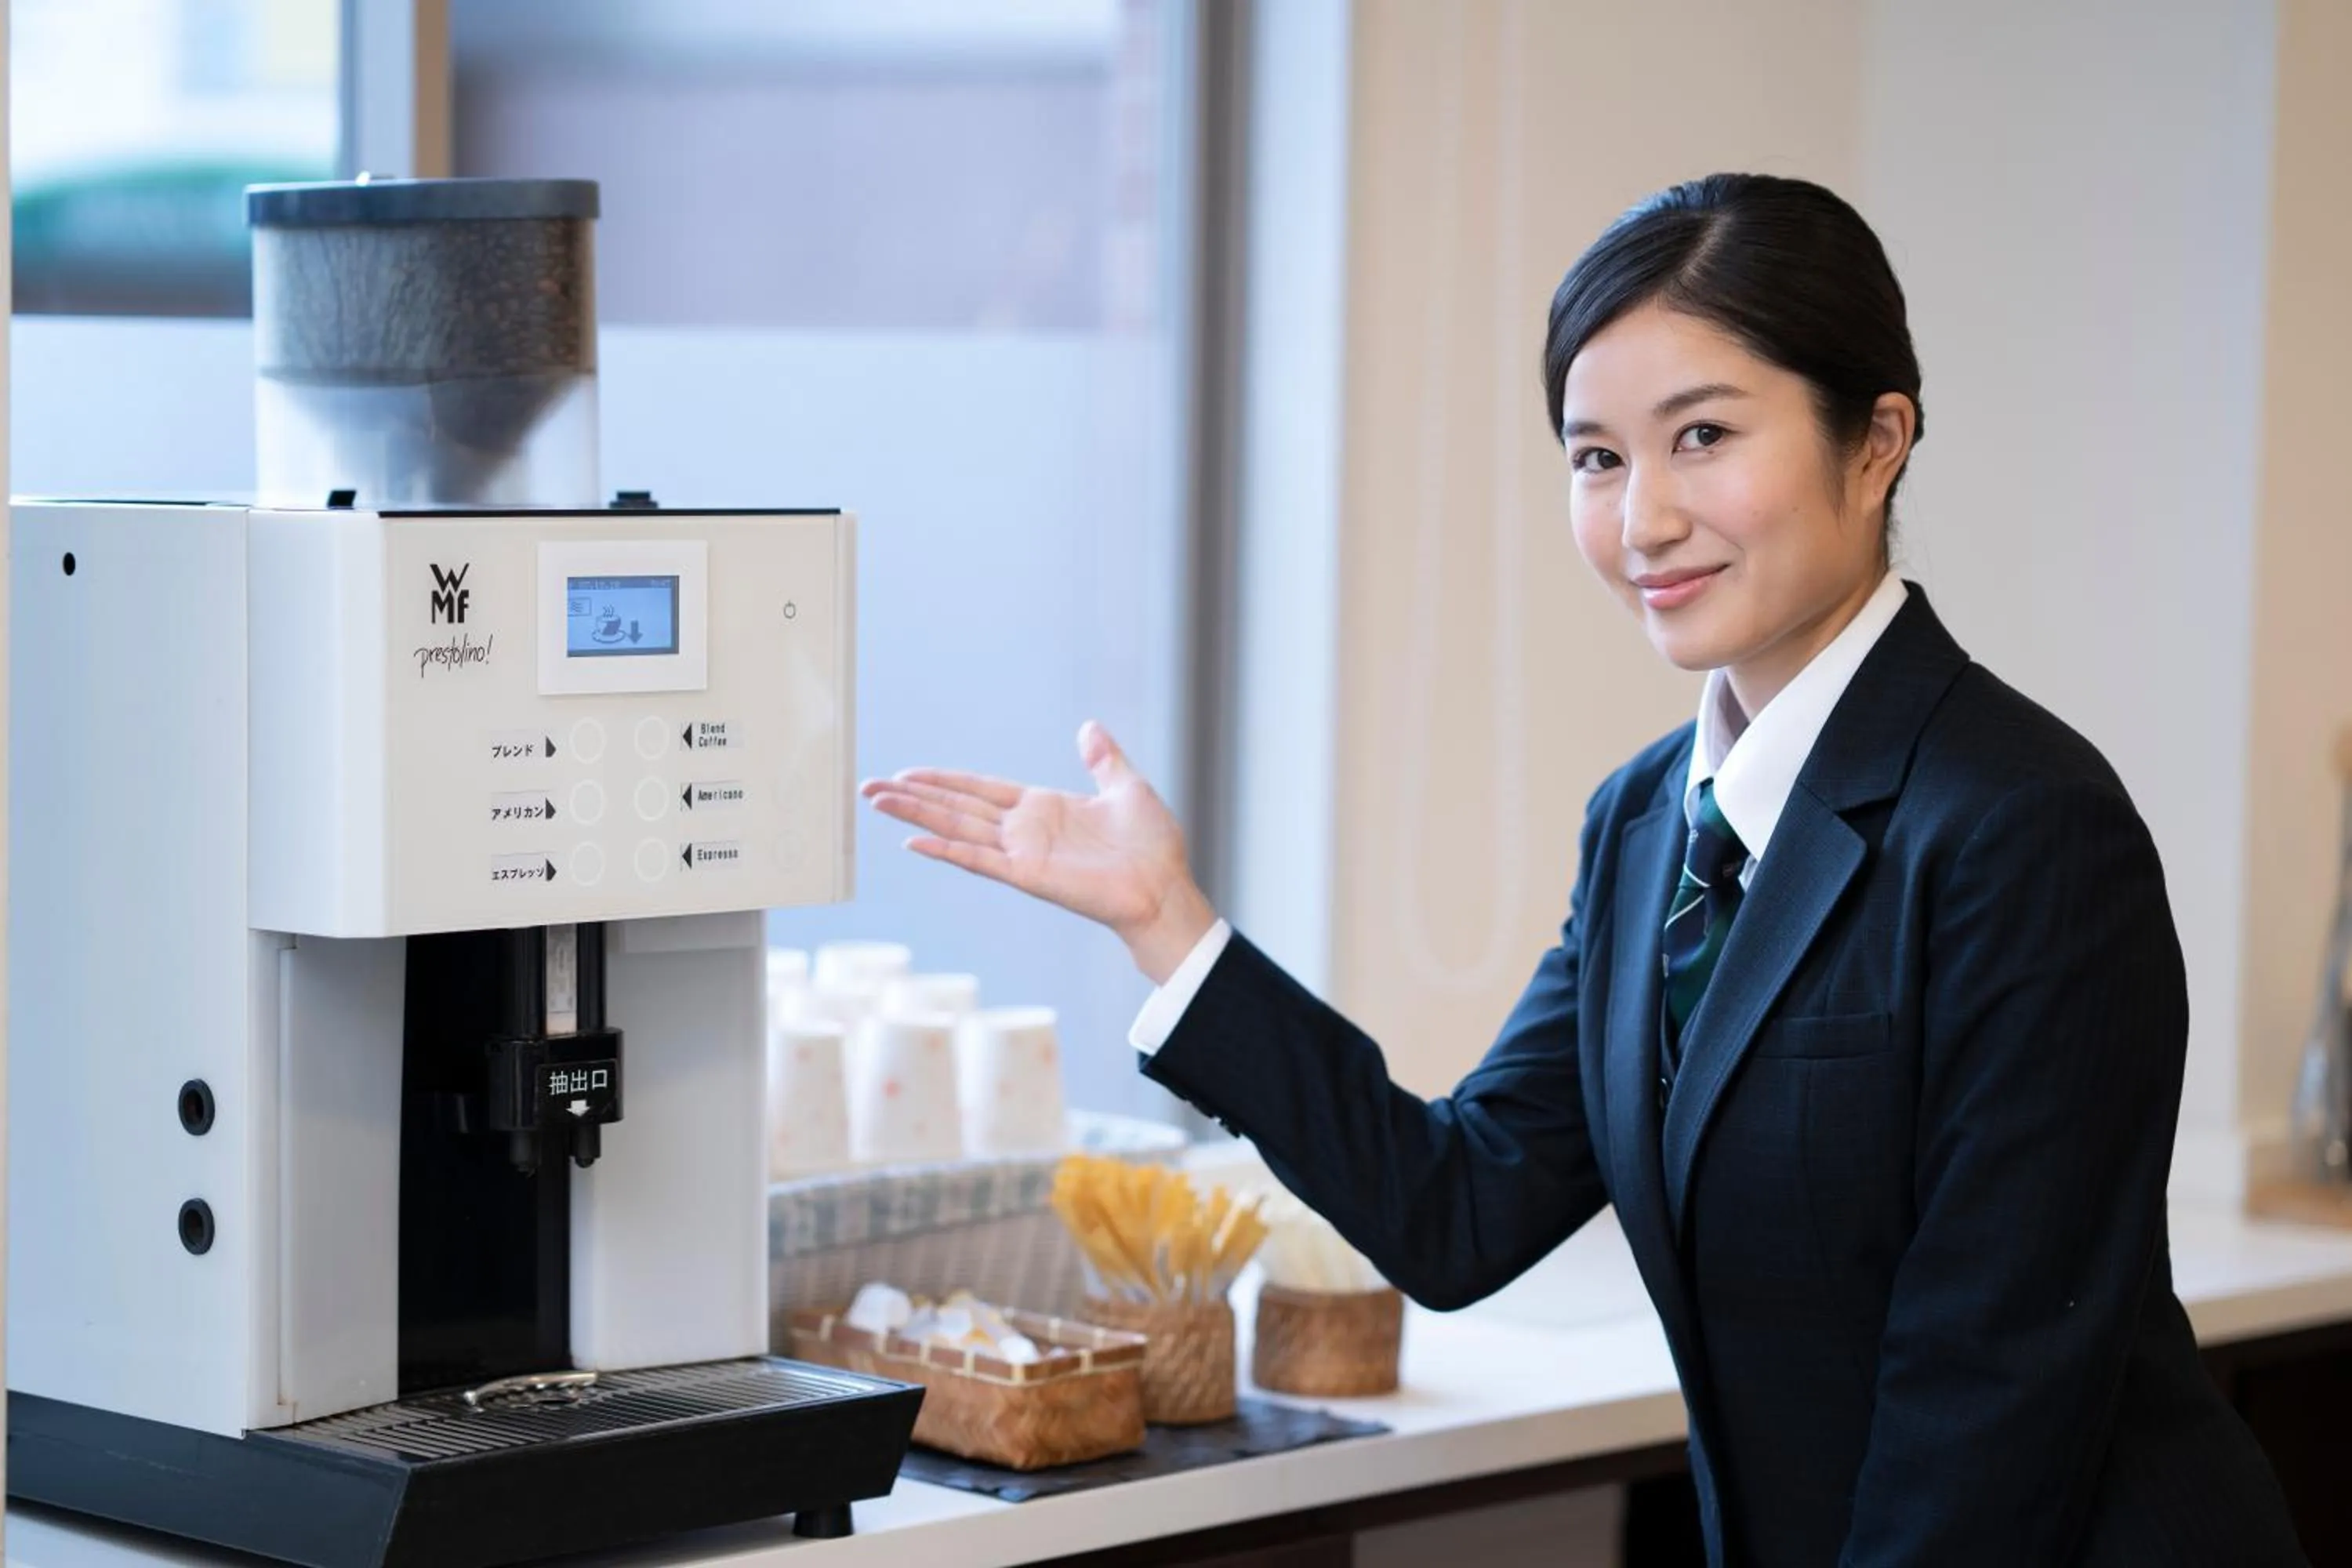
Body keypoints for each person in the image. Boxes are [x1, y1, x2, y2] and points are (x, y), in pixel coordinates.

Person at [860, 173, 2307, 1567]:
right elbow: (1463, 1204)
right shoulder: (1646, 827)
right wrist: (1167, 927)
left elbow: (1987, 1400)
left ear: (1877, 442)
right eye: (1597, 456)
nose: (1641, 521)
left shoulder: (2021, 826)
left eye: (1702, 438)